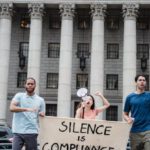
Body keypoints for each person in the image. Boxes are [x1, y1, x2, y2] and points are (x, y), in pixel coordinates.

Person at [10, 77, 45, 150]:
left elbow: (42, 114)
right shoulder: (19, 96)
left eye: (32, 84)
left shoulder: (40, 100)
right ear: (25, 85)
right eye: (28, 84)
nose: (30, 85)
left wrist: (41, 114)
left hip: (32, 132)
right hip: (18, 132)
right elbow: (12, 108)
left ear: (35, 85)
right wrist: (26, 109)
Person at [123, 74, 150, 150]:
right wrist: (128, 119)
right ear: (136, 82)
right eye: (140, 80)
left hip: (148, 130)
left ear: (146, 83)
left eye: (144, 80)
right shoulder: (130, 97)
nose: (142, 82)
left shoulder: (149, 95)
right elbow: (125, 114)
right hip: (134, 131)